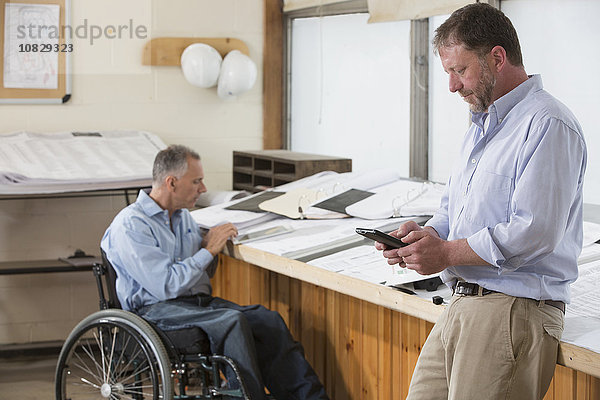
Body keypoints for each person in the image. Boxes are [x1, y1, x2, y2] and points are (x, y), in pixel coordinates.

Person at [376, 4, 587, 400]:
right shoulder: (481, 126)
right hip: (462, 300)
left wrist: (447, 252)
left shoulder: (548, 123)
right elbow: (452, 209)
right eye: (448, 74)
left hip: (512, 309)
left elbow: (534, 231)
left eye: (460, 70)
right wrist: (426, 237)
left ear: (497, 57)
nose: (453, 86)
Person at [101, 145, 328, 400]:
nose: (203, 189)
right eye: (196, 181)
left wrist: (212, 246)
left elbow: (201, 272)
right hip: (154, 311)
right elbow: (166, 285)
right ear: (172, 183)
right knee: (231, 322)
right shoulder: (131, 225)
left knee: (267, 321)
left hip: (195, 305)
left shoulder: (184, 218)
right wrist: (208, 250)